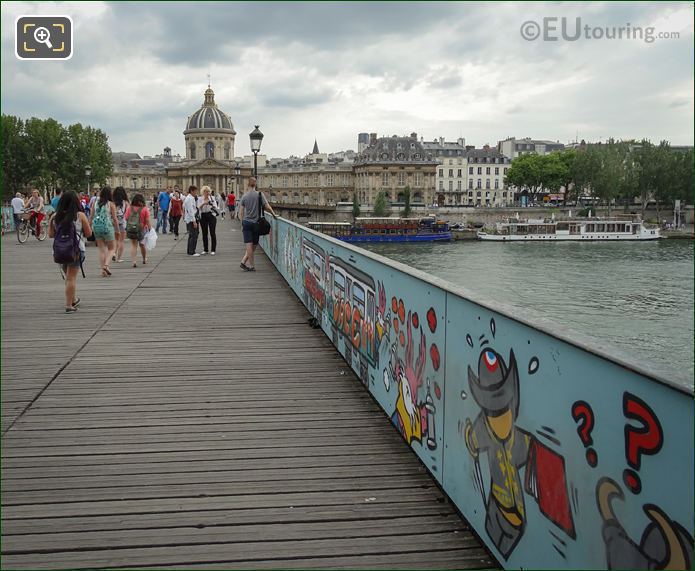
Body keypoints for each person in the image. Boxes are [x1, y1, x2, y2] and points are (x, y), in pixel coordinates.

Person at [48, 190, 92, 313]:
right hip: (76, 249)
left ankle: (73, 299)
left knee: (68, 277)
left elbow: (51, 235)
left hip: (60, 251)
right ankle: (69, 305)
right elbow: (89, 234)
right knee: (71, 278)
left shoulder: (55, 216)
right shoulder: (80, 215)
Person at [239, 177, 277, 271]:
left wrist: (242, 223)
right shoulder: (260, 195)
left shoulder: (244, 196)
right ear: (255, 184)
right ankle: (248, 264)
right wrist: (273, 214)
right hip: (256, 223)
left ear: (248, 184)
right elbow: (267, 206)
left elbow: (240, 212)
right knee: (254, 244)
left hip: (247, 223)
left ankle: (247, 263)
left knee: (248, 244)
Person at [89, 186, 119, 277]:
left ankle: (103, 271)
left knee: (102, 250)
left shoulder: (95, 202)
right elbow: (115, 219)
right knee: (112, 248)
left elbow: (91, 216)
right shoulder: (111, 204)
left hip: (97, 228)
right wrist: (117, 230)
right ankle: (106, 265)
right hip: (107, 228)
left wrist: (89, 227)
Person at [124, 193, 151, 267]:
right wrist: (150, 228)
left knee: (133, 245)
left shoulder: (130, 208)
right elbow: (147, 220)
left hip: (132, 229)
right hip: (142, 229)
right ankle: (144, 259)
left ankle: (134, 262)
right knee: (142, 245)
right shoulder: (144, 209)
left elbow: (126, 218)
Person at [198, 185, 219, 255]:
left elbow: (216, 207)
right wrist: (204, 203)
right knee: (204, 233)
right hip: (203, 215)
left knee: (212, 232)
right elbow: (198, 207)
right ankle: (205, 249)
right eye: (205, 191)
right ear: (203, 192)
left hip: (211, 215)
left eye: (208, 191)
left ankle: (213, 249)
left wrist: (211, 203)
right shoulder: (200, 199)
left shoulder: (212, 198)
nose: (206, 193)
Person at [112, 186, 130, 262]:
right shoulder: (126, 203)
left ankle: (113, 253)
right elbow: (128, 214)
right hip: (122, 223)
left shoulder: (112, 202)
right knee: (121, 241)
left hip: (113, 222)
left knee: (115, 239)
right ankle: (119, 258)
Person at [183, 185, 200, 256]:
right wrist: (194, 221)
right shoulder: (190, 199)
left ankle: (189, 250)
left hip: (190, 219)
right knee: (194, 235)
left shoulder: (189, 198)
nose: (196, 192)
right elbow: (190, 211)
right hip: (191, 219)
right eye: (195, 191)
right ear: (192, 191)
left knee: (191, 235)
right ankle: (192, 251)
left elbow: (183, 206)